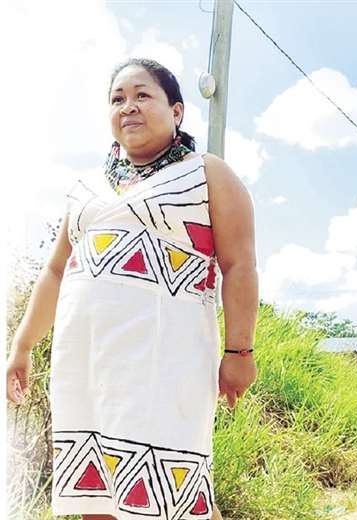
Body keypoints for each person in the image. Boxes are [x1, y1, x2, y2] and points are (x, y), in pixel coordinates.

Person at [6, 58, 258, 520]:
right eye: (118, 99)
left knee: (177, 496)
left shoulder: (208, 174)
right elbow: (56, 272)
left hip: (166, 364)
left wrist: (239, 352)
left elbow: (239, 265)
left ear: (177, 111)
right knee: (96, 494)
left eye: (143, 95)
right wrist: (22, 345)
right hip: (85, 364)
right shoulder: (86, 188)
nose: (129, 107)